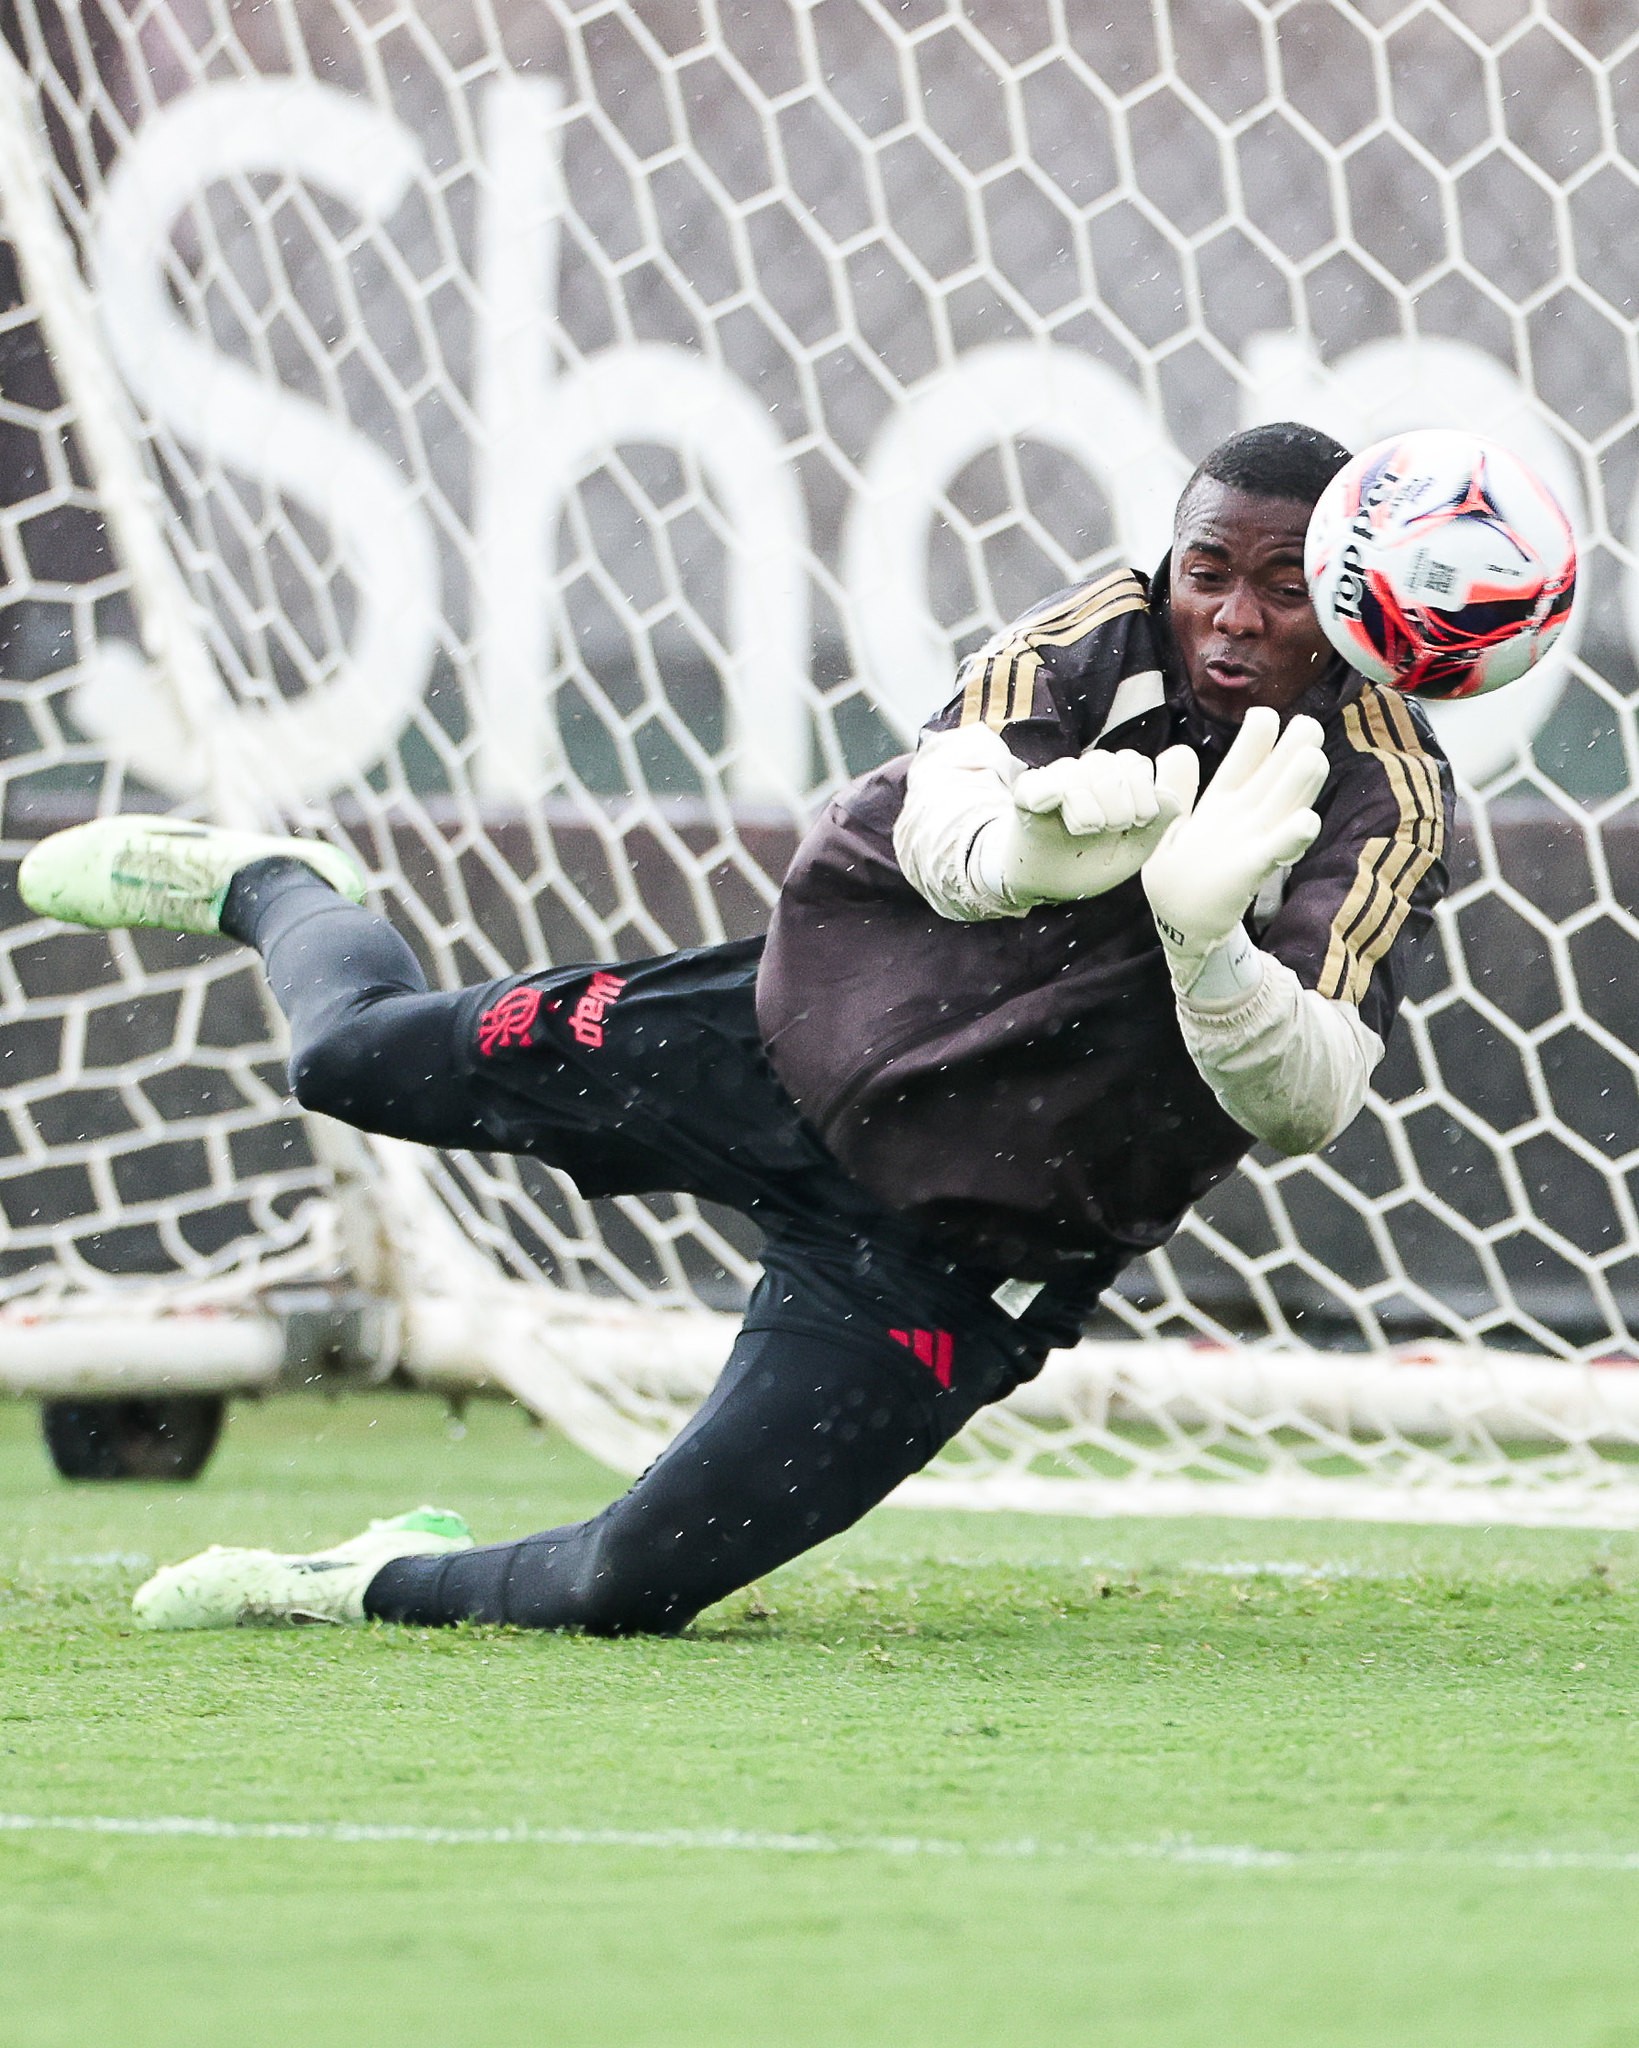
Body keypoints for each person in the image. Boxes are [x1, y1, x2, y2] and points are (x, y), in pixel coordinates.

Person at [20, 421, 1453, 1634]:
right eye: (1209, 573)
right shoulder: (1095, 635)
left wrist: (1208, 944)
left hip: (962, 1249)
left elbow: (1308, 1097)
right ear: (1170, 562)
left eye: (1284, 587)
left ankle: (350, 1580)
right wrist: (1029, 847)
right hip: (775, 1039)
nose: (1236, 616)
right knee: (345, 1058)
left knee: (626, 1585)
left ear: (1346, 598)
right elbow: (946, 813)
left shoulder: (1386, 789)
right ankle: (275, 884)